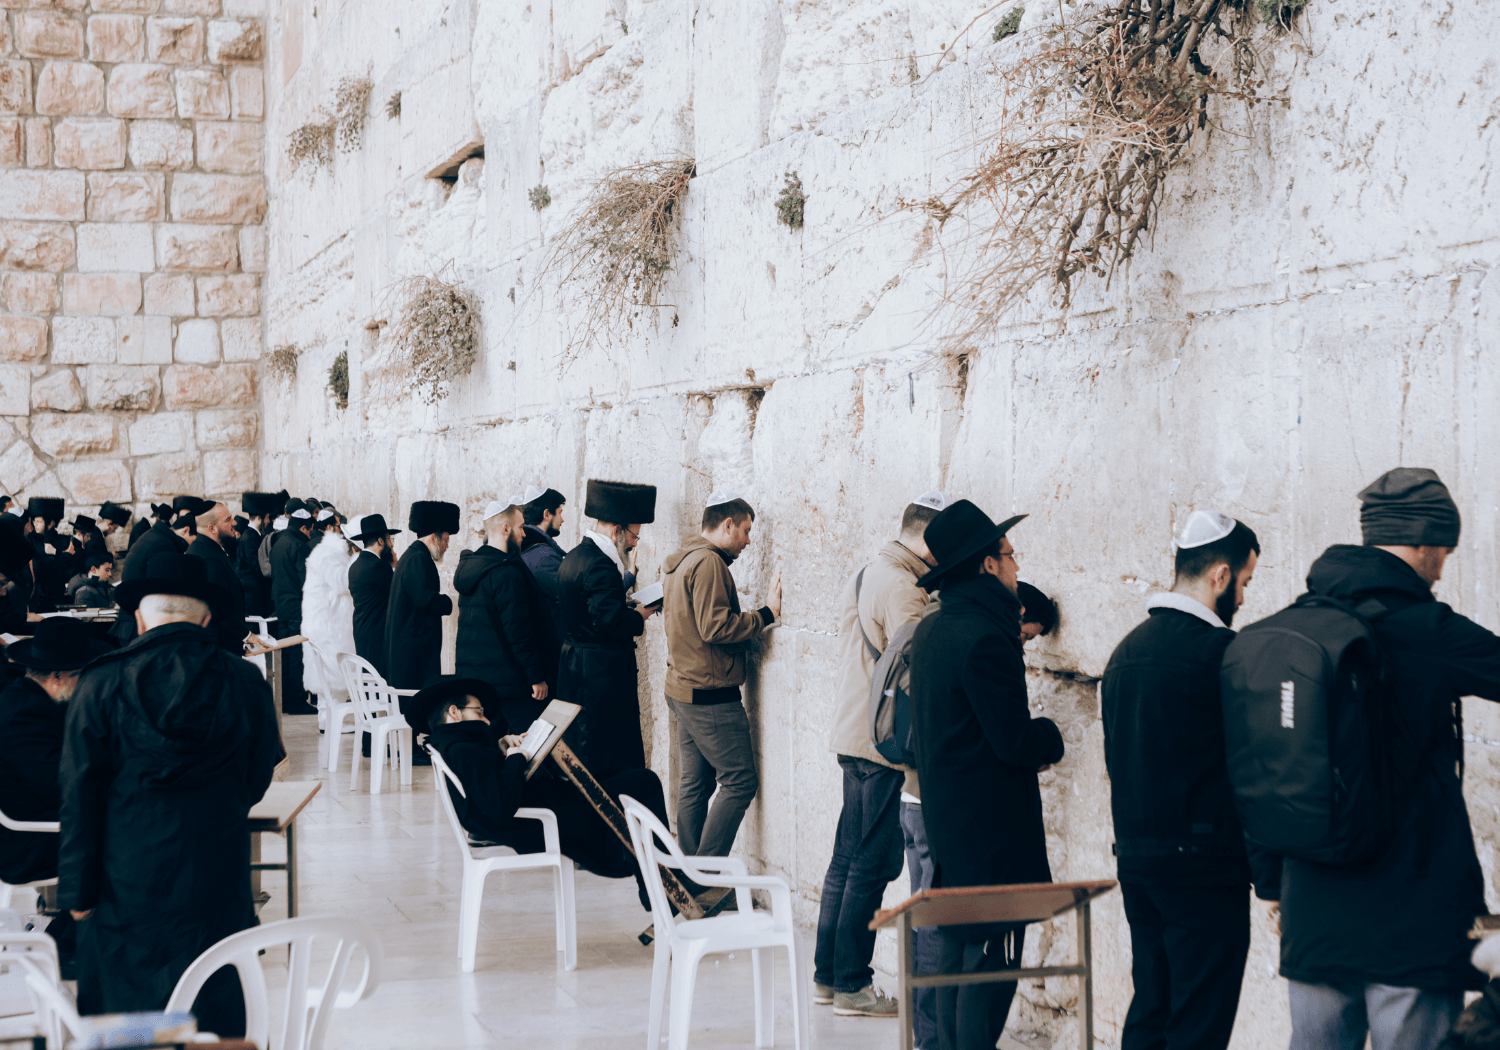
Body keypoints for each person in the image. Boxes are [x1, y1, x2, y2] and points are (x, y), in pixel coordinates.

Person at [1257, 468, 1500, 1050]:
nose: (1444, 563)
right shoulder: (1428, 629)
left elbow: (1263, 764)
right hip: (1409, 913)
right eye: (1443, 547)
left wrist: (1272, 881)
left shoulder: (1288, 628)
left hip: (1312, 905)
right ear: (1421, 541)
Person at [58, 552, 279, 1036]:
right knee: (213, 1005)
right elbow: (258, 774)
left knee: (129, 1015)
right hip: (216, 871)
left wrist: (76, 890)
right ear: (205, 618)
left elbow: (79, 794)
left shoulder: (100, 682)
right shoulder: (244, 681)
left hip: (127, 880)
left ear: (139, 616)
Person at [1100, 510, 1260, 1050]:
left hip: (1140, 864)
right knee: (1198, 1023)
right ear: (1219, 575)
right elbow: (1247, 769)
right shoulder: (1221, 656)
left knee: (1152, 1008)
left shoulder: (1125, 653)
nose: (1242, 599)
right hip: (1205, 869)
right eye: (1243, 583)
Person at [909, 500, 1064, 1050]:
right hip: (992, 839)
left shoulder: (931, 632)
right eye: (1010, 556)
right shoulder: (986, 639)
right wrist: (1054, 733)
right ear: (987, 566)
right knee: (991, 968)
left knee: (955, 958)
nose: (1017, 567)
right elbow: (1014, 740)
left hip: (950, 824)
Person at [814, 493, 943, 1020]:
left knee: (847, 859)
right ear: (928, 538)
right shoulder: (904, 586)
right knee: (870, 864)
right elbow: (917, 664)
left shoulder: (871, 570)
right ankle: (851, 983)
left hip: (854, 732)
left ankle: (828, 974)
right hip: (881, 745)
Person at [421, 676, 671, 911]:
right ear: (454, 712)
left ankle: (657, 881)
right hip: (549, 819)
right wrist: (514, 760)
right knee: (644, 782)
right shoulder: (464, 750)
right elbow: (499, 807)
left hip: (549, 806)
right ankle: (664, 885)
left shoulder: (454, 746)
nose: (486, 721)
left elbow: (485, 784)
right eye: (479, 712)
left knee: (615, 775)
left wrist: (501, 751)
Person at [660, 491, 779, 862]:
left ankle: (690, 879)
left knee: (694, 786)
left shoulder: (681, 561)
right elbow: (715, 628)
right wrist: (765, 614)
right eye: (744, 530)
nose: (748, 540)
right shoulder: (710, 564)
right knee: (740, 781)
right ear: (727, 525)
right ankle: (707, 880)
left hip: (682, 689)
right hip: (709, 695)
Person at [0, 619, 111, 950]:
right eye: (83, 676)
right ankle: (71, 940)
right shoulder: (24, 715)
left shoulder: (31, 701)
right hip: (28, 841)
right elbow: (62, 787)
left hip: (41, 823)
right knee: (132, 835)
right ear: (59, 676)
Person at [557, 479, 658, 779]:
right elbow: (608, 623)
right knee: (605, 759)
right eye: (634, 536)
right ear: (616, 530)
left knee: (585, 751)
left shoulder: (575, 556)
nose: (634, 543)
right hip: (600, 680)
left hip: (578, 668)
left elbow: (590, 615)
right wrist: (641, 615)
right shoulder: (600, 564)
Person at [455, 498, 561, 731]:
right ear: (505, 529)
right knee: (530, 747)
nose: (524, 534)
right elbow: (518, 629)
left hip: (476, 680)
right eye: (521, 527)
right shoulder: (505, 573)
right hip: (508, 684)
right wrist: (536, 676)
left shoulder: (472, 567)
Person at [385, 501, 458, 756]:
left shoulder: (413, 555)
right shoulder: (418, 558)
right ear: (435, 537)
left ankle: (413, 746)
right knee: (417, 698)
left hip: (411, 645)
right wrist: (449, 601)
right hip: (413, 649)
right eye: (446, 539)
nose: (448, 545)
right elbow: (425, 600)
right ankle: (411, 750)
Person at [301, 517, 357, 711]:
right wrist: (359, 560)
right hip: (328, 626)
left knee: (331, 678)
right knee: (331, 675)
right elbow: (342, 581)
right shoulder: (328, 554)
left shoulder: (327, 553)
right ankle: (329, 719)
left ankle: (329, 719)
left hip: (325, 623)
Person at [270, 499, 317, 714]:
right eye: (310, 530)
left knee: (285, 655)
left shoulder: (278, 543)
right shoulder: (299, 545)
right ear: (303, 527)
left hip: (281, 607)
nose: (310, 534)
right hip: (297, 608)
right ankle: (296, 700)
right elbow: (305, 580)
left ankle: (285, 699)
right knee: (296, 655)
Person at [187, 500, 247, 655]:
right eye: (228, 519)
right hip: (220, 648)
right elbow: (218, 605)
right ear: (212, 528)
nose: (234, 522)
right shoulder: (208, 557)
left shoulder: (207, 549)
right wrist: (246, 635)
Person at [348, 513, 400, 678]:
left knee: (369, 682)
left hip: (361, 631)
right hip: (377, 634)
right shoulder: (379, 567)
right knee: (380, 682)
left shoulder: (355, 566)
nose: (391, 545)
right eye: (389, 539)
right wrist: (395, 566)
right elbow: (397, 592)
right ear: (380, 541)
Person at [236, 491, 284, 617]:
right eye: (267, 518)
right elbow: (257, 567)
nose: (269, 521)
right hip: (253, 595)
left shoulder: (251, 535)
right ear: (259, 518)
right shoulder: (251, 537)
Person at [519, 486, 568, 602]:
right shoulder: (543, 558)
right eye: (559, 513)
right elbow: (569, 595)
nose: (562, 520)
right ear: (546, 515)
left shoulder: (528, 546)